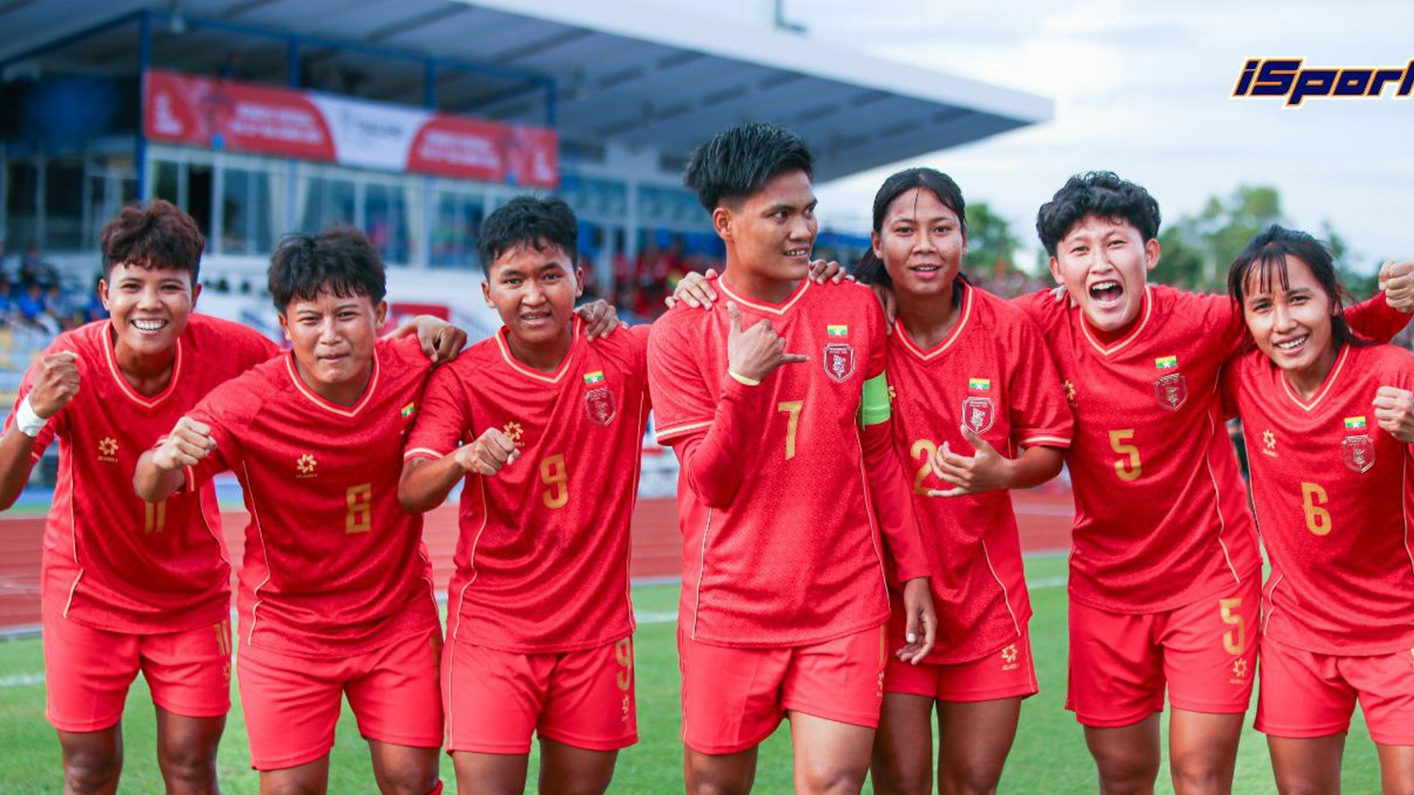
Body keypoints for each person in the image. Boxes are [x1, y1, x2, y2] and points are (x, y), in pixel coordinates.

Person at [1018, 173, 1414, 795]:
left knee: (1201, 774)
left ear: (1150, 252)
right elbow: (948, 320)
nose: (1100, 262)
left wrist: (1394, 306)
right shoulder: (1030, 324)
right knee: (1122, 773)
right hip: (1103, 585)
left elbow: (1305, 329)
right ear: (1057, 270)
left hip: (1210, 579)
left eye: (1116, 243)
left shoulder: (1200, 319)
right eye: (1080, 249)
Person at [646, 122, 935, 795]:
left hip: (843, 602)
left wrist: (914, 568)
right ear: (725, 223)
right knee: (714, 787)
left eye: (808, 210)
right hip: (728, 607)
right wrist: (742, 381)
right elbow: (710, 482)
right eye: (780, 214)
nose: (803, 229)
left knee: (835, 782)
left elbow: (879, 453)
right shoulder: (679, 332)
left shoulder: (855, 309)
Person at [132, 228, 460, 795]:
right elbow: (149, 486)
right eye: (310, 319)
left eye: (346, 314)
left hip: (395, 619)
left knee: (412, 780)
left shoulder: (415, 365)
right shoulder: (249, 401)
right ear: (285, 326)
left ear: (381, 315)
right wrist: (162, 459)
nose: (330, 335)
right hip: (288, 629)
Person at [0, 199, 280, 795]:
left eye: (169, 287)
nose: (149, 303)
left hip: (190, 597)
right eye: (132, 286)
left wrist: (404, 345)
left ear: (195, 295)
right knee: (88, 769)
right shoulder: (65, 363)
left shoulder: (234, 351)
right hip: (87, 594)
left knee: (190, 765)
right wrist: (31, 414)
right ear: (105, 293)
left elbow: (317, 374)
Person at [1223, 224, 1414, 795]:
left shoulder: (1394, 372)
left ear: (1333, 299)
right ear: (1245, 320)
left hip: (1402, 632)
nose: (1282, 322)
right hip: (1297, 636)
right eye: (1262, 307)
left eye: (1298, 299)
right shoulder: (1244, 377)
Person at [398, 196, 643, 795]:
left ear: (578, 279)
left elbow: (706, 336)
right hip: (494, 635)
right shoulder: (462, 378)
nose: (533, 296)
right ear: (488, 293)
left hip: (596, 633)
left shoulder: (625, 354)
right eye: (513, 281)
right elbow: (412, 488)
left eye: (549, 275)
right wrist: (462, 458)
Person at [852, 168, 1073, 794]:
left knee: (972, 785)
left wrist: (1004, 472)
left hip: (986, 601)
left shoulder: (1005, 328)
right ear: (877, 243)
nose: (925, 245)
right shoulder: (859, 327)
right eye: (905, 230)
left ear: (964, 240)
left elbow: (1050, 447)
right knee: (902, 785)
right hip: (888, 601)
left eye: (941, 229)